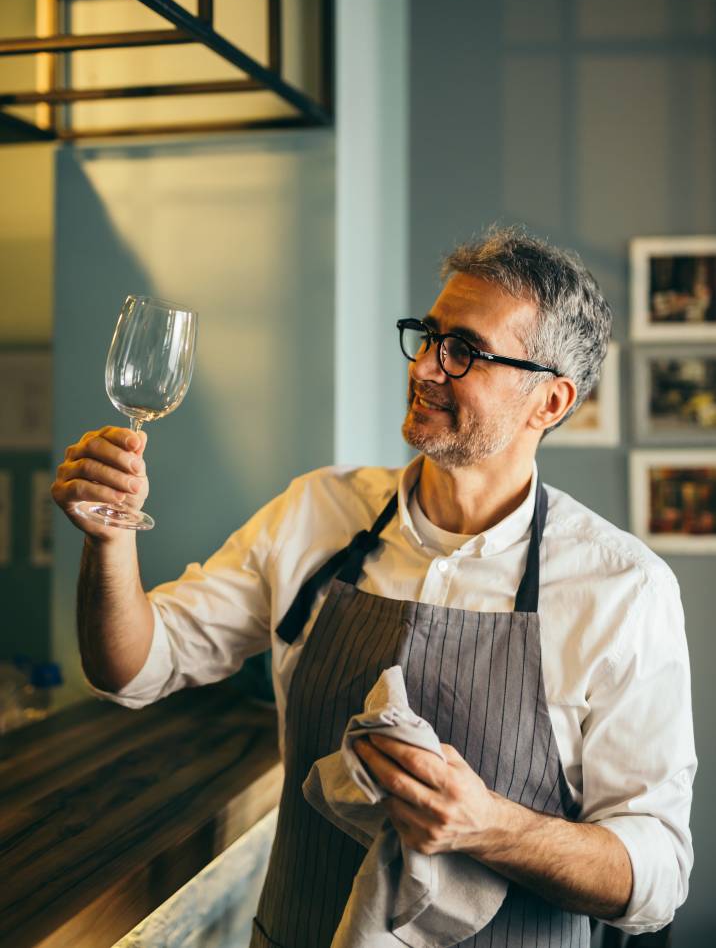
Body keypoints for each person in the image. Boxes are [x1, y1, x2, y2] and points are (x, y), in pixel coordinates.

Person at [52, 226, 695, 947]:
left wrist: (490, 827)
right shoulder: (315, 513)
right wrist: (108, 542)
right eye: (428, 336)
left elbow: (656, 878)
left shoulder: (623, 587)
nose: (424, 367)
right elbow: (134, 666)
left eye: (465, 352)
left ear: (549, 402)